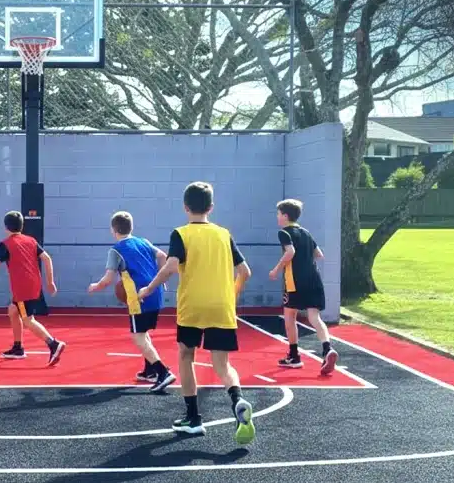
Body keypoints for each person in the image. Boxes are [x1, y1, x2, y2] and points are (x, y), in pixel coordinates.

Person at [138, 181, 255, 445]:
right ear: (211, 207)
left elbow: (170, 266)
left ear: (185, 207)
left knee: (186, 355)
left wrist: (148, 288)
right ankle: (237, 400)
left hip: (193, 306)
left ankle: (193, 418)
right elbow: (245, 272)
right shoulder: (224, 234)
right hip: (222, 306)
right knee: (223, 365)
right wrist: (231, 295)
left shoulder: (181, 233)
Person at [88, 211, 175, 392]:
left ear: (113, 230)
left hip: (139, 298)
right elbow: (161, 256)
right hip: (154, 291)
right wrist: (161, 278)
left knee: (137, 337)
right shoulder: (144, 242)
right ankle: (149, 370)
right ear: (131, 227)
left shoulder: (116, 250)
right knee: (142, 332)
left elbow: (108, 279)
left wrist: (96, 286)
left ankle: (162, 372)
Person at [0, 211, 66, 366]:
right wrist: (50, 282)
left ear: (5, 227)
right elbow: (47, 259)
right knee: (13, 310)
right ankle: (18, 347)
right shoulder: (31, 241)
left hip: (22, 287)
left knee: (28, 320)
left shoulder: (5, 244)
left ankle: (53, 344)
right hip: (34, 283)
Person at [268, 199, 339, 374]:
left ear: (285, 216)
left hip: (295, 282)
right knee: (315, 317)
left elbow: (290, 252)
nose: (277, 217)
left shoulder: (284, 232)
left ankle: (294, 356)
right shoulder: (306, 233)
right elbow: (319, 254)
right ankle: (327, 348)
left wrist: (276, 269)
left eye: (278, 214)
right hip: (314, 280)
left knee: (289, 316)